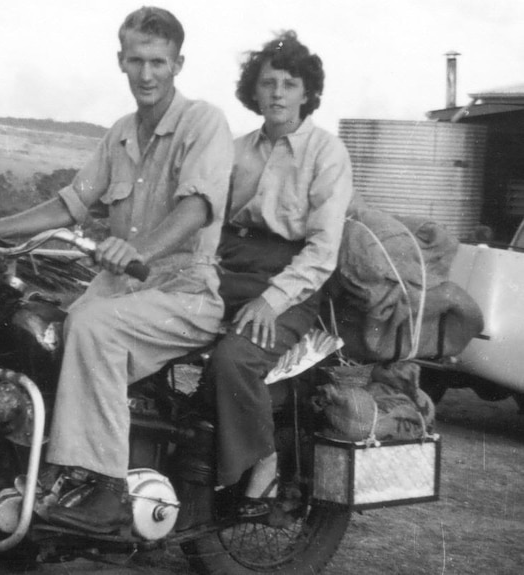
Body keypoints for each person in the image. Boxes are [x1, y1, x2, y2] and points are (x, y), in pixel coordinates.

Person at [0, 7, 233, 533]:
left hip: (185, 293)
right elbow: (69, 203)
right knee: (41, 336)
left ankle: (106, 492)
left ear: (178, 64)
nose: (146, 74)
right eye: (135, 61)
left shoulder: (204, 123)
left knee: (90, 329)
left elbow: (197, 208)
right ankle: (35, 480)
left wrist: (138, 249)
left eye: (158, 62)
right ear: (119, 61)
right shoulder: (121, 133)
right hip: (122, 290)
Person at [209, 30, 358, 516]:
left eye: (289, 84)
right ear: (253, 91)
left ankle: (265, 462)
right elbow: (208, 221)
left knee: (234, 358)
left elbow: (322, 250)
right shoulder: (233, 149)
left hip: (291, 280)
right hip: (227, 266)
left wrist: (270, 301)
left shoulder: (326, 153)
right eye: (268, 82)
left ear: (307, 93)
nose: (277, 93)